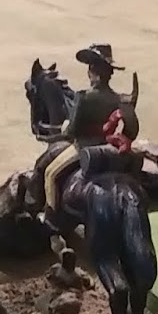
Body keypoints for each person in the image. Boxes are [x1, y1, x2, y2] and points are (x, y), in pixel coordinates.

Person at [40, 44, 130, 235]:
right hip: (107, 146)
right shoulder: (118, 99)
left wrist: (62, 128)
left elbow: (72, 131)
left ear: (92, 72)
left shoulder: (84, 97)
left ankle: (51, 222)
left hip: (83, 147)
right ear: (110, 74)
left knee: (50, 174)